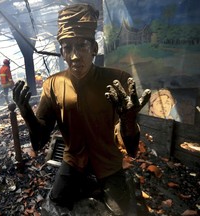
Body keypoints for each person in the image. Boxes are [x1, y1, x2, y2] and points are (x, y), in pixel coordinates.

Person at [13, 3, 151, 215]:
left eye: (82, 46)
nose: (75, 56)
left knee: (124, 212)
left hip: (109, 164)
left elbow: (131, 149)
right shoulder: (53, 84)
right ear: (61, 52)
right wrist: (27, 114)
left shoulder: (118, 80)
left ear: (94, 48)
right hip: (73, 161)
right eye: (68, 47)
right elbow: (39, 140)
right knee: (56, 204)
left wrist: (129, 121)